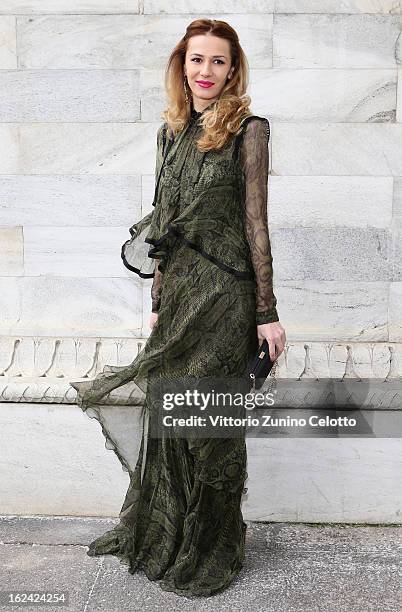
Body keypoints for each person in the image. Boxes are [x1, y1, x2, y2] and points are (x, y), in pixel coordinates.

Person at [70, 18, 286, 598]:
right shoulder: (169, 133)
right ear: (181, 66)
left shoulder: (250, 129)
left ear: (233, 69)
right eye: (197, 60)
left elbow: (255, 225)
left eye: (219, 61)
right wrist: (160, 302)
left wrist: (266, 312)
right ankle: (166, 535)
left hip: (226, 296)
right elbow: (164, 223)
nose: (206, 72)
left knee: (210, 422)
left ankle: (211, 545)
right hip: (183, 293)